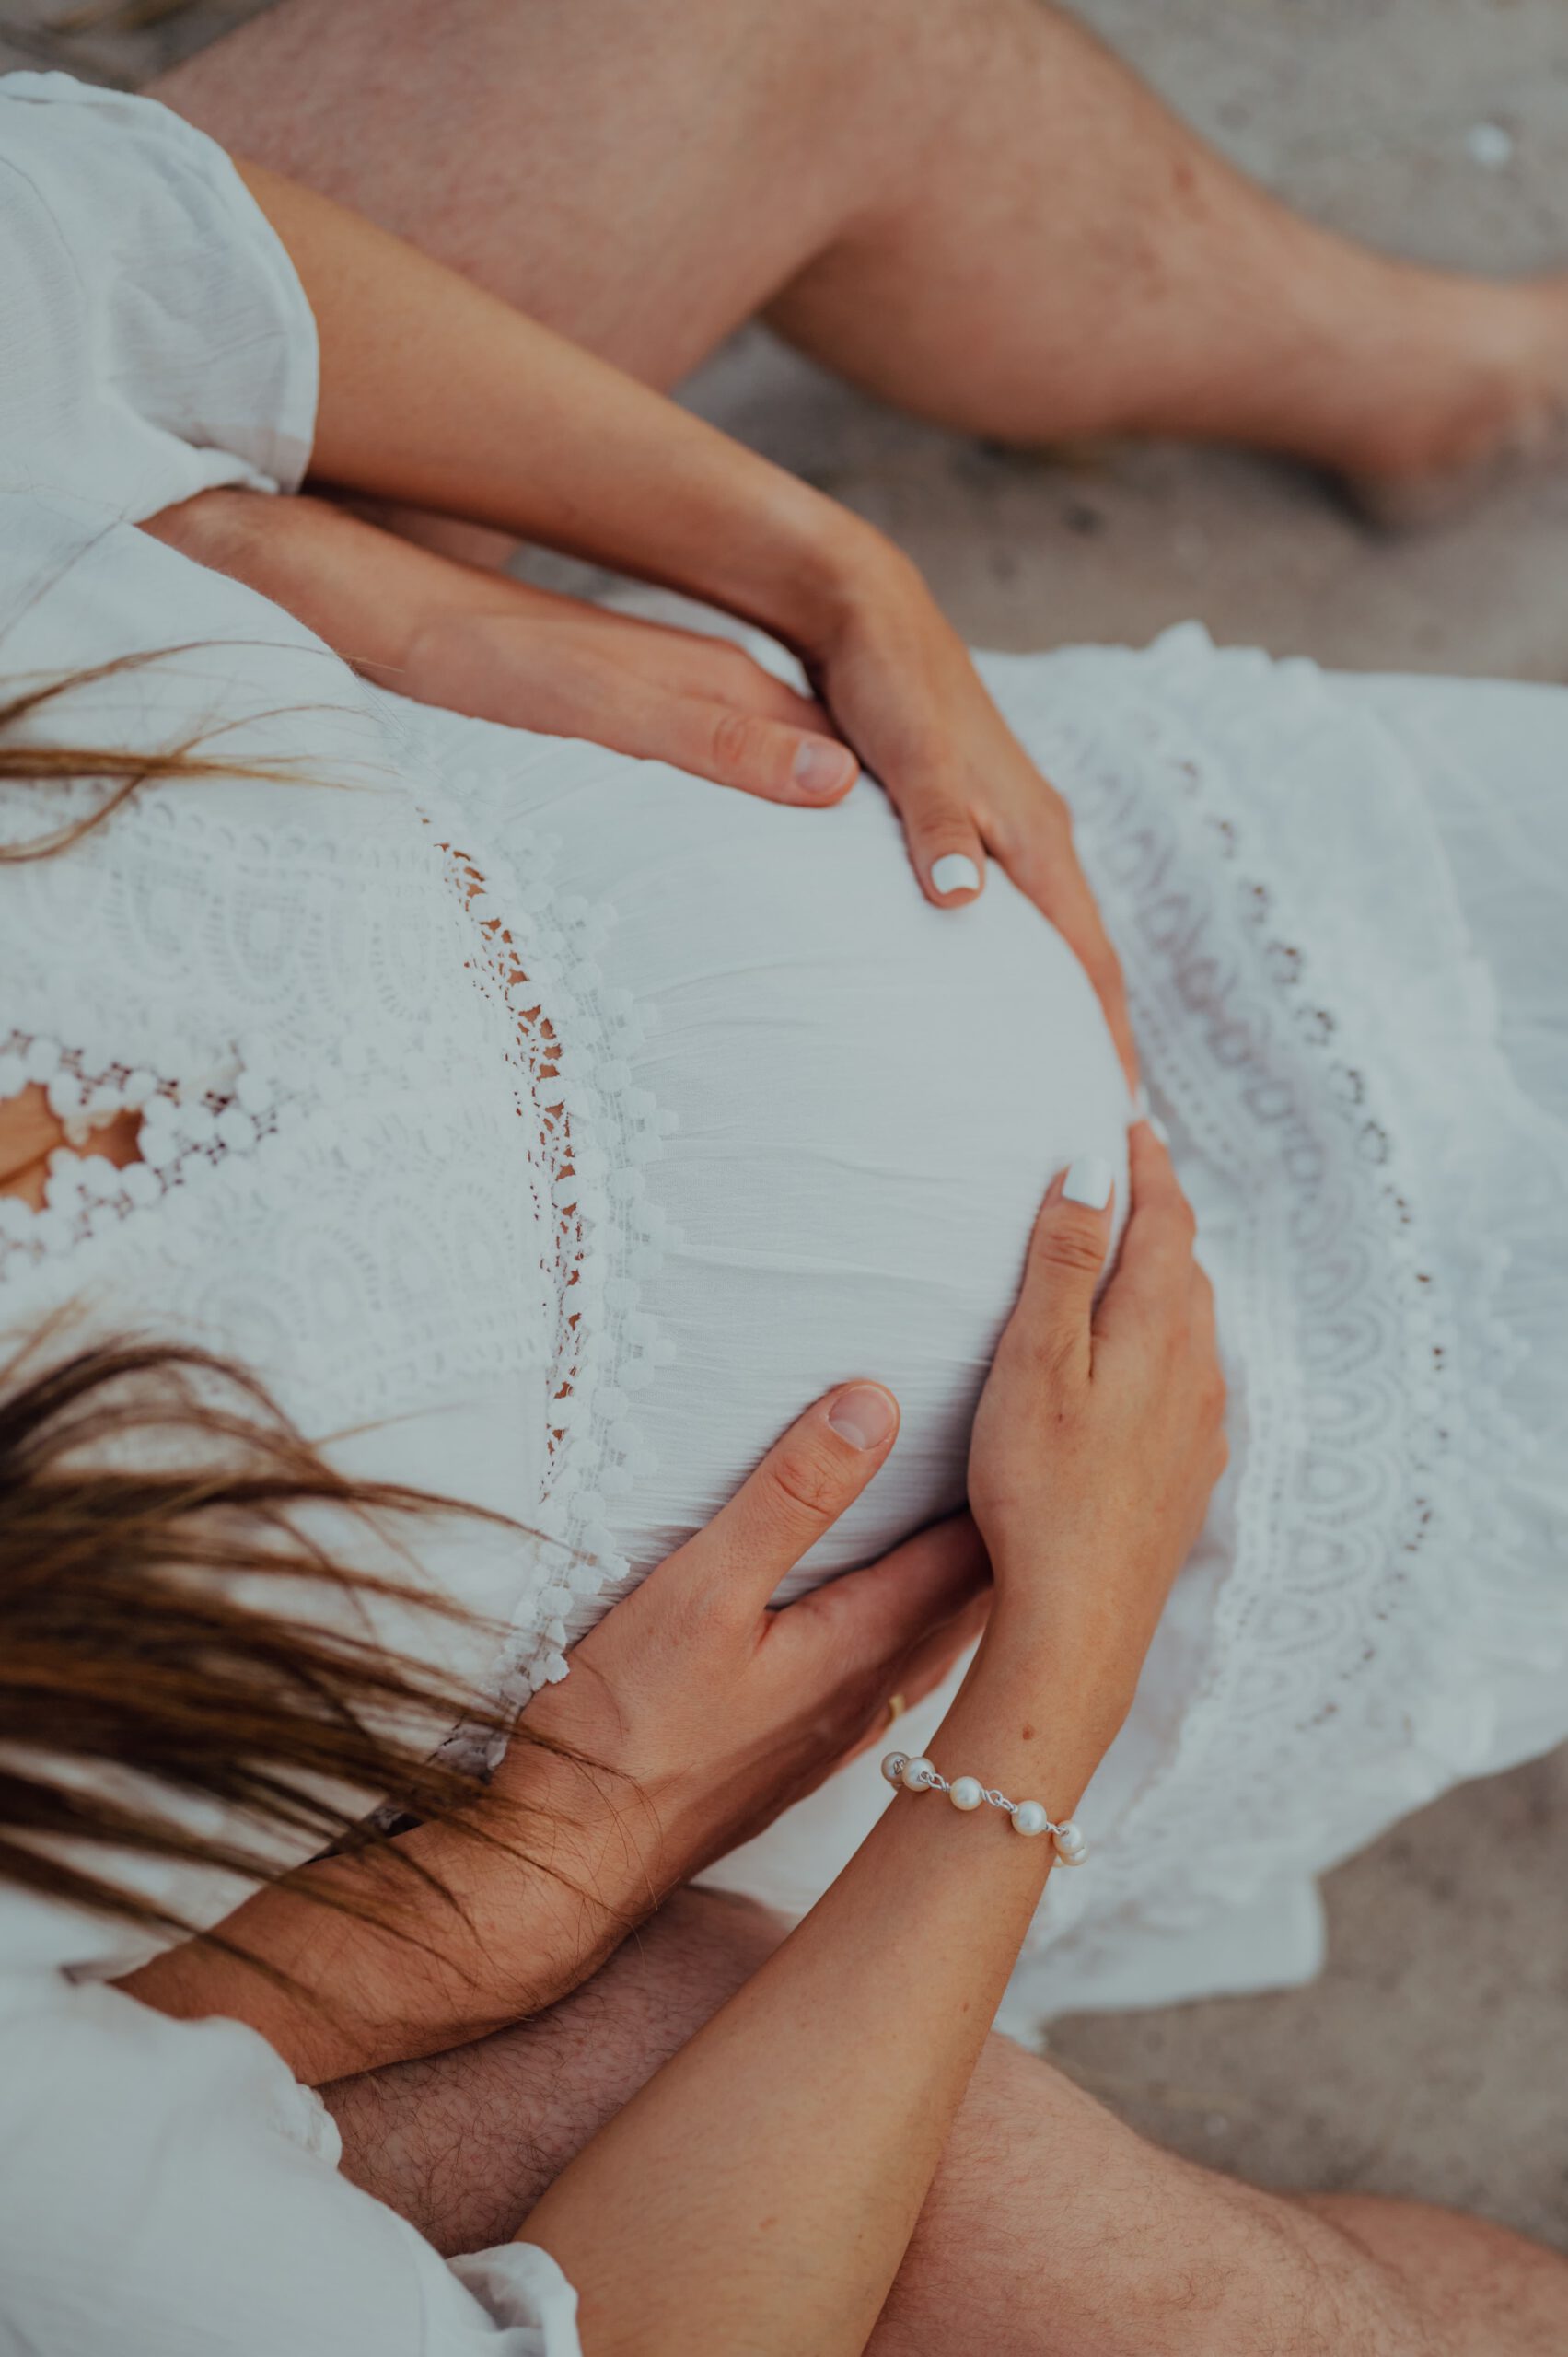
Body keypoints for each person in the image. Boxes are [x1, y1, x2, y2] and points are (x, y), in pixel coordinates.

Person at [0, 44, 1565, 2347]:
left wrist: (797, 571)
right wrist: (1031, 1707)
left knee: (749, 30)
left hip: (1054, 822)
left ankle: (1445, 373)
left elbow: (71, 229)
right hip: (927, 1660)